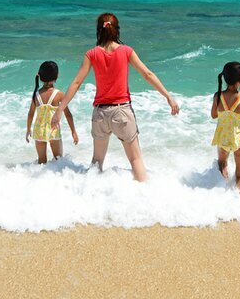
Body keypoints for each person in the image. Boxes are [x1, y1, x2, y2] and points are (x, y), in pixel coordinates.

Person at [51, 12, 179, 181]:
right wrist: (167, 96)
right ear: (117, 30)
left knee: (97, 162)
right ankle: (146, 199)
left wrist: (60, 109)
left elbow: (76, 83)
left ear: (99, 31)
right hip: (122, 112)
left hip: (100, 114)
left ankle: (89, 195)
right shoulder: (126, 51)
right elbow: (147, 74)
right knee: (135, 159)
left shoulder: (92, 54)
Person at [211, 61, 240, 190]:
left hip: (223, 137)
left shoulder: (218, 96)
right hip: (238, 140)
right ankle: (239, 200)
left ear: (224, 78)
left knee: (222, 165)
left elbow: (214, 115)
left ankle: (219, 191)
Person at [26, 60, 78, 163]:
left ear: (40, 76)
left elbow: (30, 114)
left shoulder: (36, 95)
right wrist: (73, 131)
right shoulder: (59, 94)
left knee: (41, 161)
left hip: (38, 130)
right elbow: (68, 115)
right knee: (58, 160)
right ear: (57, 75)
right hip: (53, 130)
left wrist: (28, 129)